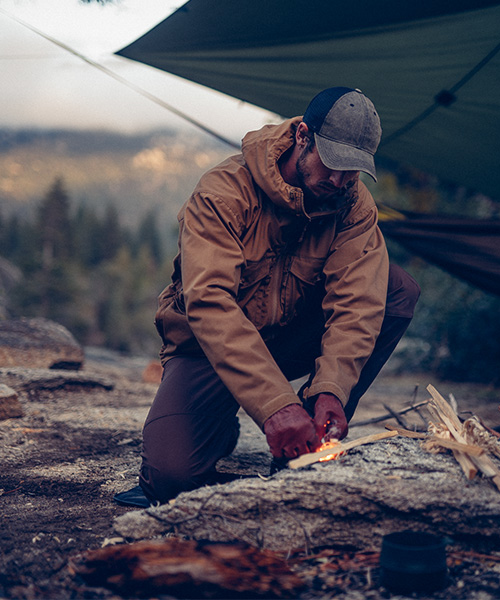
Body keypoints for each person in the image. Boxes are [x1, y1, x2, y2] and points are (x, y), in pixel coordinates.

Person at [115, 87, 420, 508]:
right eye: (331, 163)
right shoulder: (223, 193)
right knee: (172, 480)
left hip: (291, 337)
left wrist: (332, 388)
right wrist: (275, 405)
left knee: (395, 288)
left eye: (352, 171)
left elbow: (359, 302)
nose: (338, 180)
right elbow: (209, 303)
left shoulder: (352, 203)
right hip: (209, 349)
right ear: (302, 137)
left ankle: (308, 440)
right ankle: (223, 421)